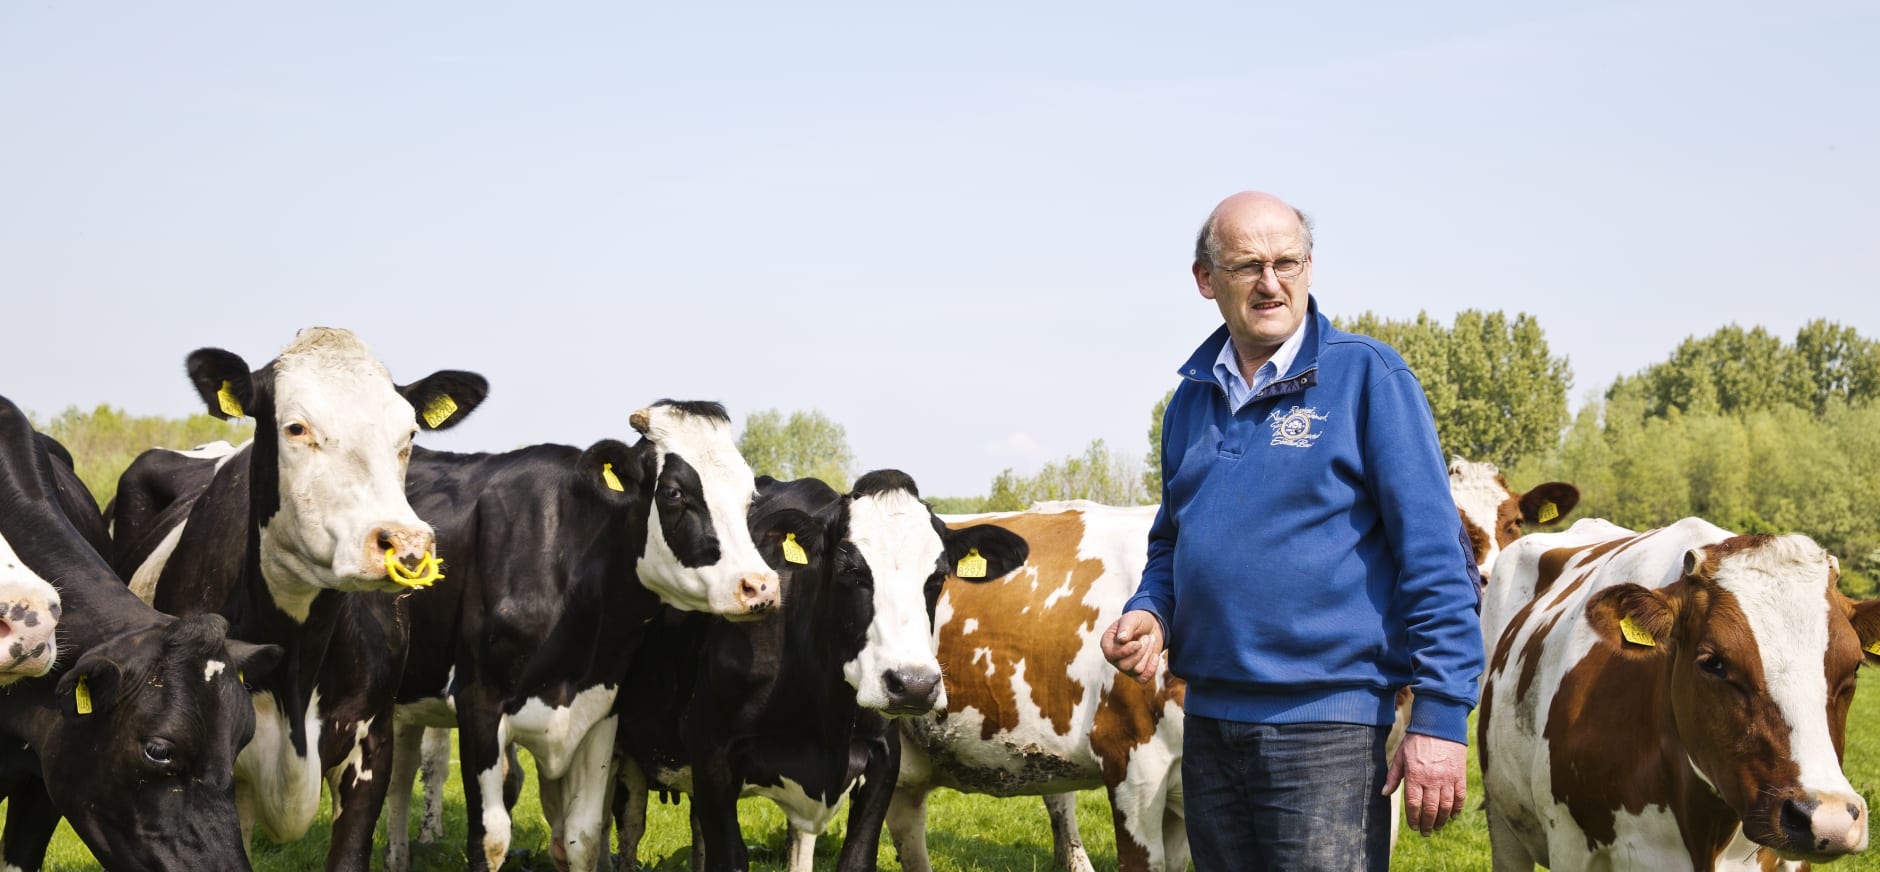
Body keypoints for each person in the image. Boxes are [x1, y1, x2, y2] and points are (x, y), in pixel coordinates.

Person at [1101, 191, 1483, 871]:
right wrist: (1151, 607)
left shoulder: (1368, 377)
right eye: (1248, 266)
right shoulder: (1191, 399)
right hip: (1211, 720)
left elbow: (1436, 556)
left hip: (1328, 726)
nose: (1270, 283)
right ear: (1205, 280)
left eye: (1287, 262)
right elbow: (1173, 541)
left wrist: (1440, 718)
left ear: (1311, 267)